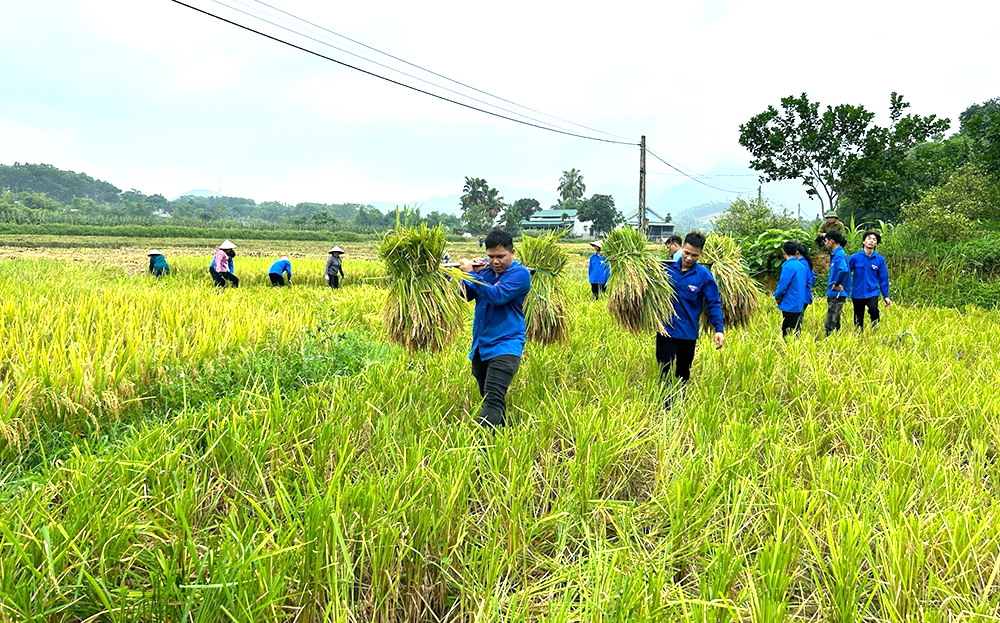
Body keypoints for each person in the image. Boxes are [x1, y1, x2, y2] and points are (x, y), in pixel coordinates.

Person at [457, 229, 531, 428]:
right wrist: (466, 276)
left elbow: (497, 296)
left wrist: (472, 273)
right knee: (491, 399)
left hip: (506, 345)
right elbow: (466, 295)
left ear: (512, 253)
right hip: (481, 345)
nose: (495, 261)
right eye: (491, 256)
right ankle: (502, 443)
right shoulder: (487, 271)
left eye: (501, 256)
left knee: (492, 398)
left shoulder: (520, 274)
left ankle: (483, 450)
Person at [659, 232, 724, 389]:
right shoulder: (665, 271)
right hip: (665, 329)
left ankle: (679, 404)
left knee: (683, 373)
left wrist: (719, 329)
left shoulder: (704, 276)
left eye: (694, 255)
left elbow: (714, 303)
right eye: (686, 253)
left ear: (700, 253)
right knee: (664, 371)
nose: (689, 258)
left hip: (688, 333)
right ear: (681, 249)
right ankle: (663, 407)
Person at [847, 230, 891, 331]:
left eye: (874, 239)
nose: (871, 241)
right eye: (869, 239)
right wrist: (845, 289)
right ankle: (858, 334)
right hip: (857, 292)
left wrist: (886, 296)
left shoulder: (879, 260)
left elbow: (883, 278)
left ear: (876, 243)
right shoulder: (855, 258)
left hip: (872, 291)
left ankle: (876, 330)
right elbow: (846, 274)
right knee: (858, 315)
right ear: (863, 242)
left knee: (873, 309)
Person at [774, 241, 808, 338]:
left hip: (790, 302)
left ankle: (789, 350)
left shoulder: (788, 266)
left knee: (787, 330)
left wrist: (778, 296)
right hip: (799, 302)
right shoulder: (801, 266)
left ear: (783, 252)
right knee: (796, 328)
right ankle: (796, 349)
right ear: (796, 252)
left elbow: (783, 285)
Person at [823, 231, 851, 336]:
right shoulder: (837, 254)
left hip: (837, 293)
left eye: (826, 241)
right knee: (836, 320)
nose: (825, 243)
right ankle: (836, 340)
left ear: (832, 241)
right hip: (835, 293)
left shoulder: (839, 255)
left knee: (830, 321)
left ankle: (828, 341)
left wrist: (837, 284)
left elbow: (843, 270)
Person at [794, 242, 816, 311]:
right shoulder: (807, 263)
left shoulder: (800, 264)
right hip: (806, 295)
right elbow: (813, 278)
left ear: (797, 253)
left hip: (801, 296)